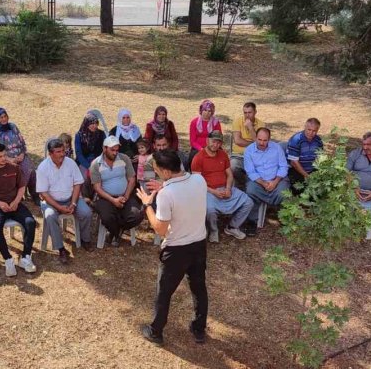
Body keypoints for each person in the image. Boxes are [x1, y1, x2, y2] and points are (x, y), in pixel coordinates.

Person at [135, 150, 208, 345]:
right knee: (199, 287)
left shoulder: (167, 194)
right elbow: (187, 195)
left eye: (157, 169)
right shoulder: (199, 180)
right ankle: (199, 329)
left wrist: (147, 205)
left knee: (164, 291)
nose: (156, 172)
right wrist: (164, 187)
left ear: (166, 171)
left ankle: (156, 331)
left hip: (176, 250)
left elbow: (160, 229)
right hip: (199, 243)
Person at [0, 143, 38, 276]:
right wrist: (0, 204)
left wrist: (16, 201)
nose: (4, 158)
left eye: (5, 155)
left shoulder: (14, 168)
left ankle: (26, 257)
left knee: (30, 222)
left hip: (15, 204)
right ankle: (8, 259)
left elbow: (22, 187)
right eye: (0, 156)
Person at [36, 138, 94, 263]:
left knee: (86, 212)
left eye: (63, 150)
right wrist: (59, 207)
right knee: (50, 216)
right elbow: (44, 193)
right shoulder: (43, 168)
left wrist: (73, 203)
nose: (62, 154)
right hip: (51, 201)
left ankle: (85, 240)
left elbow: (77, 184)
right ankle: (61, 249)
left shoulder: (70, 163)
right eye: (58, 152)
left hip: (71, 198)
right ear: (51, 154)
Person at [191, 131, 253, 242]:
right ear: (207, 141)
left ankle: (232, 226)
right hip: (208, 191)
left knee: (248, 202)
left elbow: (229, 174)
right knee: (209, 209)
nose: (215, 145)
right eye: (213, 141)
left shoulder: (223, 154)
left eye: (218, 142)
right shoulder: (198, 158)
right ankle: (213, 230)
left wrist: (228, 188)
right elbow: (197, 182)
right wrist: (214, 192)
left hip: (225, 188)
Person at [91, 136, 143, 247]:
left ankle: (116, 231)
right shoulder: (96, 164)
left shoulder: (124, 159)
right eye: (112, 150)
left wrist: (126, 196)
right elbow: (97, 188)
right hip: (106, 198)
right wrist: (113, 200)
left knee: (137, 215)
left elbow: (132, 179)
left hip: (125, 195)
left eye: (116, 150)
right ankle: (117, 232)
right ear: (104, 149)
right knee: (107, 217)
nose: (115, 153)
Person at [243, 128, 289, 236]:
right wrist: (263, 183)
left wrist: (275, 182)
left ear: (269, 139)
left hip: (276, 179)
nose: (262, 143)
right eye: (259, 140)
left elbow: (283, 167)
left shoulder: (277, 148)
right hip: (259, 181)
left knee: (284, 191)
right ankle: (252, 221)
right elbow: (250, 172)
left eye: (265, 140)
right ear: (256, 138)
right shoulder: (249, 150)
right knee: (250, 190)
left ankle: (283, 217)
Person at [0, 108, 38, 203]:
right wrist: (9, 159)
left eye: (5, 116)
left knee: (30, 170)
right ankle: (17, 195)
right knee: (12, 173)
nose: (4, 119)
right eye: (1, 117)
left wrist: (22, 154)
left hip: (20, 155)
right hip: (5, 159)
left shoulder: (13, 127)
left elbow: (22, 142)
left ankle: (34, 195)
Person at [231, 102, 265, 190]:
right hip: (239, 155)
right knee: (233, 166)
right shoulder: (237, 121)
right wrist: (254, 143)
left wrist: (250, 127)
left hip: (255, 155)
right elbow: (237, 141)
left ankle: (254, 188)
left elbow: (260, 143)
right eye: (245, 112)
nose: (247, 115)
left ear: (255, 112)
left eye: (249, 112)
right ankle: (243, 186)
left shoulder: (261, 124)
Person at [286, 118, 323, 192]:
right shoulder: (296, 139)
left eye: (314, 131)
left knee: (319, 191)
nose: (311, 133)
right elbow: (294, 162)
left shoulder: (318, 141)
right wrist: (307, 176)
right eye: (309, 130)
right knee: (300, 191)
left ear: (317, 130)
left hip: (312, 170)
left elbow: (320, 158)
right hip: (296, 170)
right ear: (305, 127)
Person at [188, 99, 223, 170]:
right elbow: (192, 141)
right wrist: (201, 149)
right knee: (193, 156)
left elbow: (218, 138)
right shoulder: (194, 122)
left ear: (212, 112)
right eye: (205, 110)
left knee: (221, 155)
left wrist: (211, 148)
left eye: (209, 111)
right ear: (201, 111)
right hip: (198, 148)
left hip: (213, 146)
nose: (207, 113)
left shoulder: (216, 123)